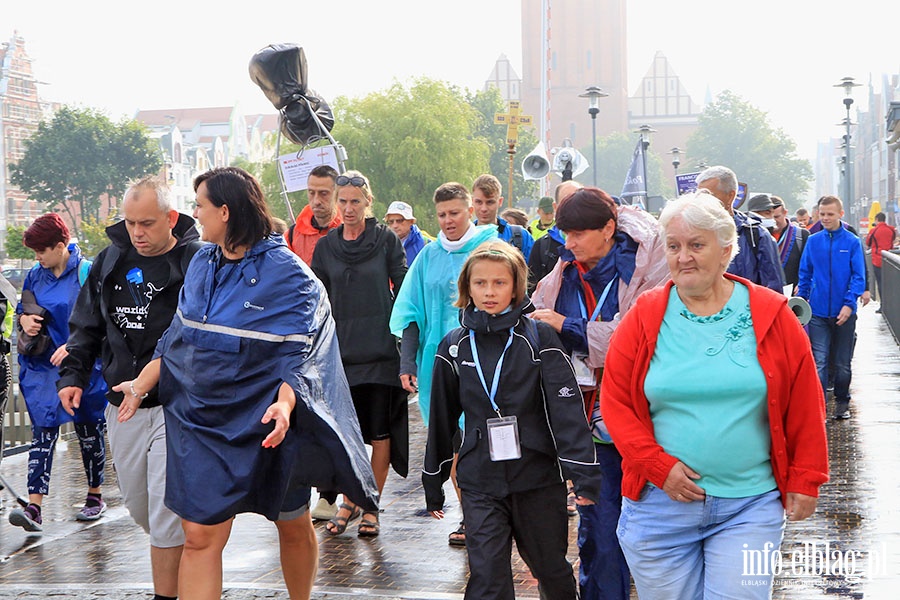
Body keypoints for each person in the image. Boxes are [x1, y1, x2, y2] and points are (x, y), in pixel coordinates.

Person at [114, 166, 378, 600]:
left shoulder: (289, 274)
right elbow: (178, 336)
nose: (195, 215)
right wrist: (141, 383)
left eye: (200, 205)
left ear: (225, 211)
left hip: (268, 420)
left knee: (291, 523)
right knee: (198, 536)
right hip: (203, 420)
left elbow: (304, 352)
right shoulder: (200, 260)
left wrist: (287, 405)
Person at [601, 190, 829, 598]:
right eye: (673, 246)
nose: (683, 256)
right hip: (659, 506)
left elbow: (805, 402)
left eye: (696, 245)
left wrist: (807, 477)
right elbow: (615, 403)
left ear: (726, 251)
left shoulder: (772, 313)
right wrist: (655, 465)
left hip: (749, 505)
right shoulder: (644, 315)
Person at [424, 241, 601, 600]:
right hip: (479, 480)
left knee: (550, 570)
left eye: (499, 283)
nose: (489, 292)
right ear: (467, 288)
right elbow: (442, 418)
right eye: (480, 283)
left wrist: (583, 475)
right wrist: (433, 478)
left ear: (517, 286)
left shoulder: (540, 338)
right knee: (488, 578)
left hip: (536, 477)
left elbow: (565, 412)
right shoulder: (454, 345)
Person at [58, 176, 202, 600]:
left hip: (177, 405)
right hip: (122, 406)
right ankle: (188, 569)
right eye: (131, 222)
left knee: (163, 510)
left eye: (147, 223)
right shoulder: (110, 260)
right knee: (141, 508)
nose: (138, 232)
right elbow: (85, 326)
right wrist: (72, 377)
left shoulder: (195, 260)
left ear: (171, 218)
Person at [530, 187, 669, 600]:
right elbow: (540, 319)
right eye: (564, 235)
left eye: (576, 235)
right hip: (591, 419)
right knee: (600, 533)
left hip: (652, 418)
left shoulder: (651, 263)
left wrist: (567, 326)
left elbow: (641, 336)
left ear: (609, 229)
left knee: (655, 534)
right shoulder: (565, 271)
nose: (568, 245)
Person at [390, 182, 498, 546]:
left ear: (470, 210)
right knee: (453, 444)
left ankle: (489, 514)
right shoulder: (428, 256)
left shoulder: (490, 249)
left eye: (455, 212)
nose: (448, 220)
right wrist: (407, 361)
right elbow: (410, 312)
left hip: (486, 363)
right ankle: (470, 515)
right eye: (442, 215)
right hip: (438, 366)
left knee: (480, 440)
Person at [311, 170, 408, 538]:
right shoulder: (325, 246)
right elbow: (316, 300)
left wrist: (407, 344)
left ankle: (370, 506)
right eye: (343, 201)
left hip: (380, 352)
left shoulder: (385, 241)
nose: (348, 208)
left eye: (356, 201)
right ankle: (350, 498)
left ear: (369, 201)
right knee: (344, 435)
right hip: (339, 355)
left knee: (380, 434)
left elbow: (404, 292)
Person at [7, 214, 107, 533]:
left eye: (41, 251)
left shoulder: (87, 272)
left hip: (83, 365)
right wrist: (24, 321)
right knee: (43, 430)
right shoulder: (36, 275)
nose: (37, 258)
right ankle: (34, 506)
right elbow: (23, 308)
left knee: (89, 429)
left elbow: (105, 320)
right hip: (44, 366)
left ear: (60, 246)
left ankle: (95, 495)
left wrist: (77, 346)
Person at [797, 195, 866, 420]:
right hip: (817, 312)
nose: (825, 218)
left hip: (844, 312)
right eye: (822, 214)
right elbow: (805, 273)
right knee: (820, 361)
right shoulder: (813, 241)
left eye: (830, 214)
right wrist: (803, 299)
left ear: (840, 215)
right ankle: (820, 406)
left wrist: (849, 304)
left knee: (842, 363)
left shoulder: (852, 242)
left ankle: (842, 402)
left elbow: (858, 276)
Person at [696, 166, 784, 292]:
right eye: (699, 196)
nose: (703, 202)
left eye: (709, 196)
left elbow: (773, 288)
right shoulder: (692, 233)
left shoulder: (756, 235)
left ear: (731, 196)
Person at [527, 181, 583, 295]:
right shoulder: (542, 247)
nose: (573, 208)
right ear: (555, 207)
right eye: (566, 202)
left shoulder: (597, 244)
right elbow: (532, 290)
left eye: (578, 202)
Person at [285, 164, 342, 264]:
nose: (316, 201)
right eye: (311, 193)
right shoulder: (292, 235)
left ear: (337, 193)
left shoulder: (349, 230)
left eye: (323, 194)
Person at [472, 174, 534, 260]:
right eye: (479, 202)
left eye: (490, 202)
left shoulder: (521, 236)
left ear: (500, 202)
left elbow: (533, 271)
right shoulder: (463, 238)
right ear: (472, 201)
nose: (484, 209)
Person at [769, 195, 809, 293]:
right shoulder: (760, 236)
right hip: (768, 295)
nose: (774, 221)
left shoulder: (802, 235)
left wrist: (802, 285)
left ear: (785, 213)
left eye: (777, 217)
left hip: (794, 296)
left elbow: (810, 265)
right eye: (770, 217)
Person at [865, 212, 897, 307]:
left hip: (877, 260)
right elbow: (892, 240)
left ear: (877, 219)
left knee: (880, 282)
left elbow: (868, 242)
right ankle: (891, 305)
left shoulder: (874, 231)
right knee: (890, 283)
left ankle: (883, 305)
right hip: (889, 260)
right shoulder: (891, 230)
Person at [385, 200, 430, 267]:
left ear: (411, 221)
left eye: (399, 221)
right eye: (391, 222)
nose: (395, 225)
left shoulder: (426, 245)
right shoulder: (382, 245)